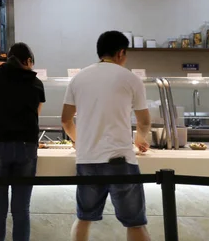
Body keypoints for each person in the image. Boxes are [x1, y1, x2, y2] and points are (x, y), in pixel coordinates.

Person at [61, 31, 152, 241]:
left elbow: (66, 120)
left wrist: (79, 141)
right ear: (121, 53)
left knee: (84, 218)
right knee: (135, 223)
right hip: (120, 160)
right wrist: (140, 139)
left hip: (87, 160)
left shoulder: (78, 78)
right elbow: (144, 121)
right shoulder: (131, 78)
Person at [0, 43, 45, 241]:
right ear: (28, 61)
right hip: (26, 147)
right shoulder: (36, 82)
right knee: (22, 210)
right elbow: (35, 116)